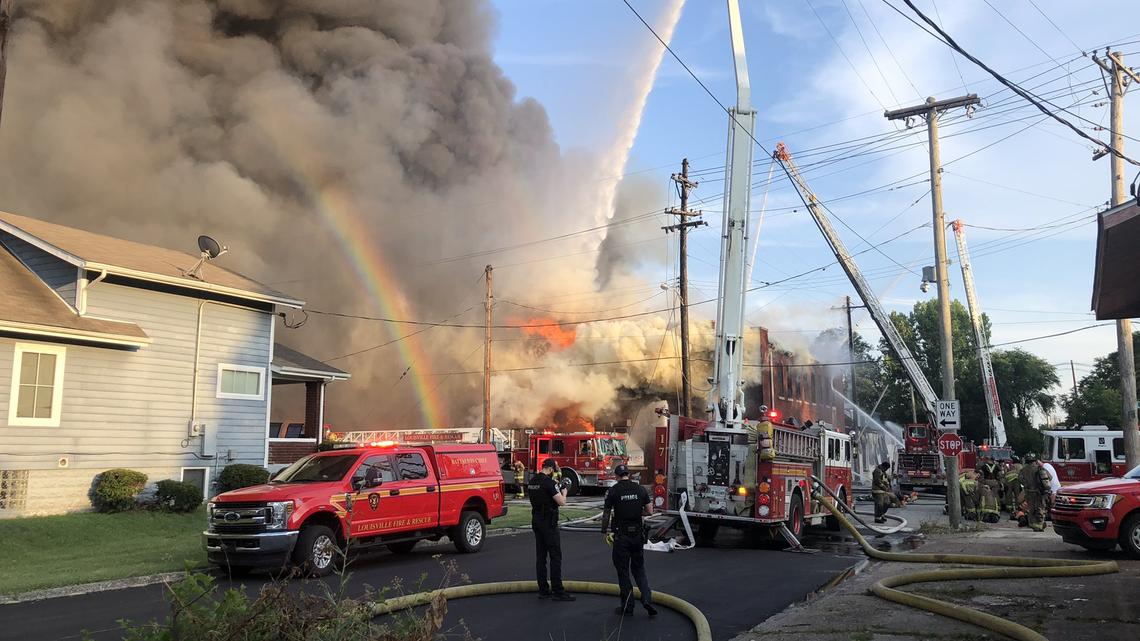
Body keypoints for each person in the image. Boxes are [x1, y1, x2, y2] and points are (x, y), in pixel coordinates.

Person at [601, 464, 657, 617]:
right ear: (628, 474)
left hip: (622, 536)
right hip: (637, 535)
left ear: (617, 476)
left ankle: (628, 606)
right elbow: (650, 511)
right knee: (639, 569)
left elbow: (606, 513)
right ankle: (647, 599)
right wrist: (638, 512)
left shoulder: (613, 491)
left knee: (623, 571)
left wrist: (604, 530)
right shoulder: (640, 489)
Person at [528, 458, 575, 601]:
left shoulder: (532, 481)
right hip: (549, 522)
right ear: (551, 469)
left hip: (536, 520)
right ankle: (558, 591)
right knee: (555, 556)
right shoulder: (549, 482)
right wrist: (564, 491)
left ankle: (543, 589)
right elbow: (561, 502)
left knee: (541, 557)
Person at [1018, 453, 1052, 532]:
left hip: (1029, 492)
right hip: (1039, 492)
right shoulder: (1040, 468)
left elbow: (1020, 479)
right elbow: (1050, 477)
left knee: (1031, 509)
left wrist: (1026, 485)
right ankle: (1039, 524)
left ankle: (1033, 524)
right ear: (1035, 460)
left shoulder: (1023, 470)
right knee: (1040, 507)